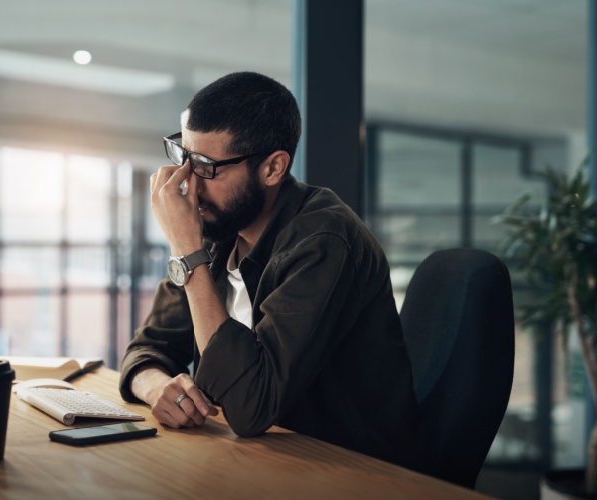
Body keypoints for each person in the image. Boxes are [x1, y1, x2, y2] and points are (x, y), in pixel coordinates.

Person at [119, 71, 430, 472]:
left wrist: (186, 252)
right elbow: (147, 349)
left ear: (272, 169)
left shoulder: (324, 241)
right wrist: (157, 386)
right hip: (265, 460)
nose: (188, 186)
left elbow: (251, 407)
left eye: (206, 167)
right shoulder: (217, 233)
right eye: (183, 157)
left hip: (354, 474)